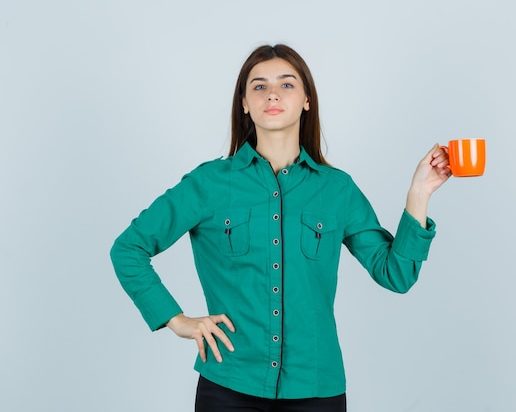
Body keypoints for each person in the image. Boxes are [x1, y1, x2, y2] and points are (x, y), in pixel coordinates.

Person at [110, 44, 451, 412]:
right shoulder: (208, 184)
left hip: (317, 389)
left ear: (307, 99)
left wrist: (419, 192)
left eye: (287, 84)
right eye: (259, 86)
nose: (272, 93)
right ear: (244, 103)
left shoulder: (336, 189)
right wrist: (176, 321)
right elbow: (129, 248)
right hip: (228, 385)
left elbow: (395, 274)